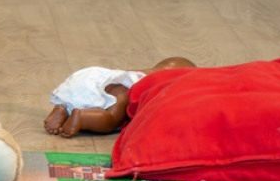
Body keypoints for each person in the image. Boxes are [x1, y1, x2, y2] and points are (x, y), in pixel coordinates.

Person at [43, 56, 196, 137]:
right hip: (122, 89)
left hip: (94, 75)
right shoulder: (149, 81)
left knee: (85, 98)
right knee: (110, 119)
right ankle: (82, 117)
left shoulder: (138, 72)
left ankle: (63, 108)